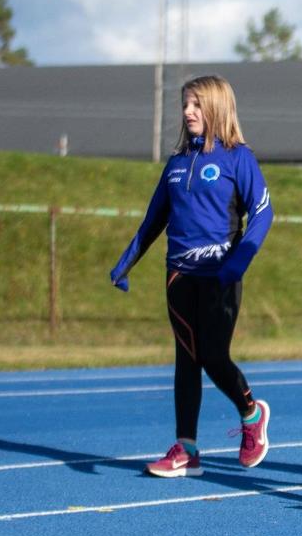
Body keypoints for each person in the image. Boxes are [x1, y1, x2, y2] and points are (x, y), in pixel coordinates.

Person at [110, 75, 274, 478]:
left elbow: (263, 213)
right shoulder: (176, 163)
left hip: (221, 275)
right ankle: (187, 449)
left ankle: (251, 415)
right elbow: (153, 221)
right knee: (186, 359)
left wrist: (237, 263)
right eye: (185, 104)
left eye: (196, 105)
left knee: (214, 356)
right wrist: (126, 261)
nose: (187, 112)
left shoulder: (239, 159)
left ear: (217, 107)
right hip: (178, 277)